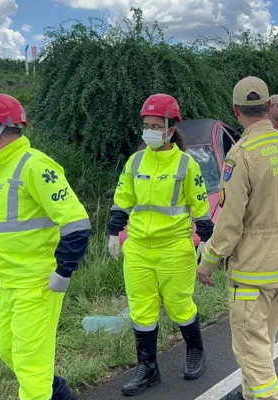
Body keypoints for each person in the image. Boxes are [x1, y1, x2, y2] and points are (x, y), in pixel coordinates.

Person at [197, 76, 278, 400]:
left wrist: (208, 261)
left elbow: (230, 222)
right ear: (267, 107)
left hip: (252, 271)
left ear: (236, 110)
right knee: (263, 342)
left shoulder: (241, 155)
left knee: (251, 350)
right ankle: (249, 394)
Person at [0, 93, 91, 400]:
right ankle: (61, 394)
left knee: (30, 369)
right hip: (9, 283)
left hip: (37, 284)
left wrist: (63, 272)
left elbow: (77, 224)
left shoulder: (35, 166)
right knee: (9, 352)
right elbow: (1, 228)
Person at [106, 93, 214, 396]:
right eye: (146, 125)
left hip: (174, 247)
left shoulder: (185, 164)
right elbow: (123, 198)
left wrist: (205, 238)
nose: (149, 130)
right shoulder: (136, 160)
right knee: (141, 309)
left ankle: (195, 351)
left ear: (170, 128)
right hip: (138, 248)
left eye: (156, 125)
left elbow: (200, 204)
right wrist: (114, 231)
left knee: (180, 305)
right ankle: (148, 368)